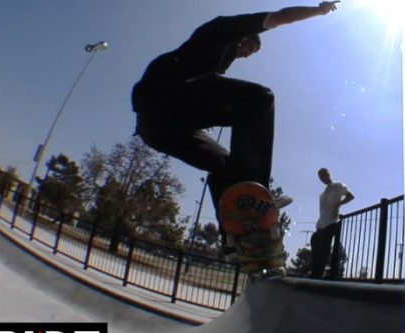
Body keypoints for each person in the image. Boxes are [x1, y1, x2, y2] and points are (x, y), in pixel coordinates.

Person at [131, 2, 340, 236]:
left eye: (248, 55)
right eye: (247, 49)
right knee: (260, 99)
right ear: (243, 38)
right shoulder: (225, 29)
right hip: (162, 100)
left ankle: (234, 236)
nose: (243, 55)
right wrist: (319, 10)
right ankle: (256, 193)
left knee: (226, 166)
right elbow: (282, 16)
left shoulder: (215, 66)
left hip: (159, 129)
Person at [310, 167, 354, 279]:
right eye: (320, 177)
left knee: (324, 250)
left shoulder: (338, 186)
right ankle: (314, 273)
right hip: (321, 223)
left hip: (331, 222)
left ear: (328, 174)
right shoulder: (323, 193)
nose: (322, 178)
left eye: (323, 175)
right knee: (315, 246)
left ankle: (318, 275)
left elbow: (350, 196)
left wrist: (337, 205)